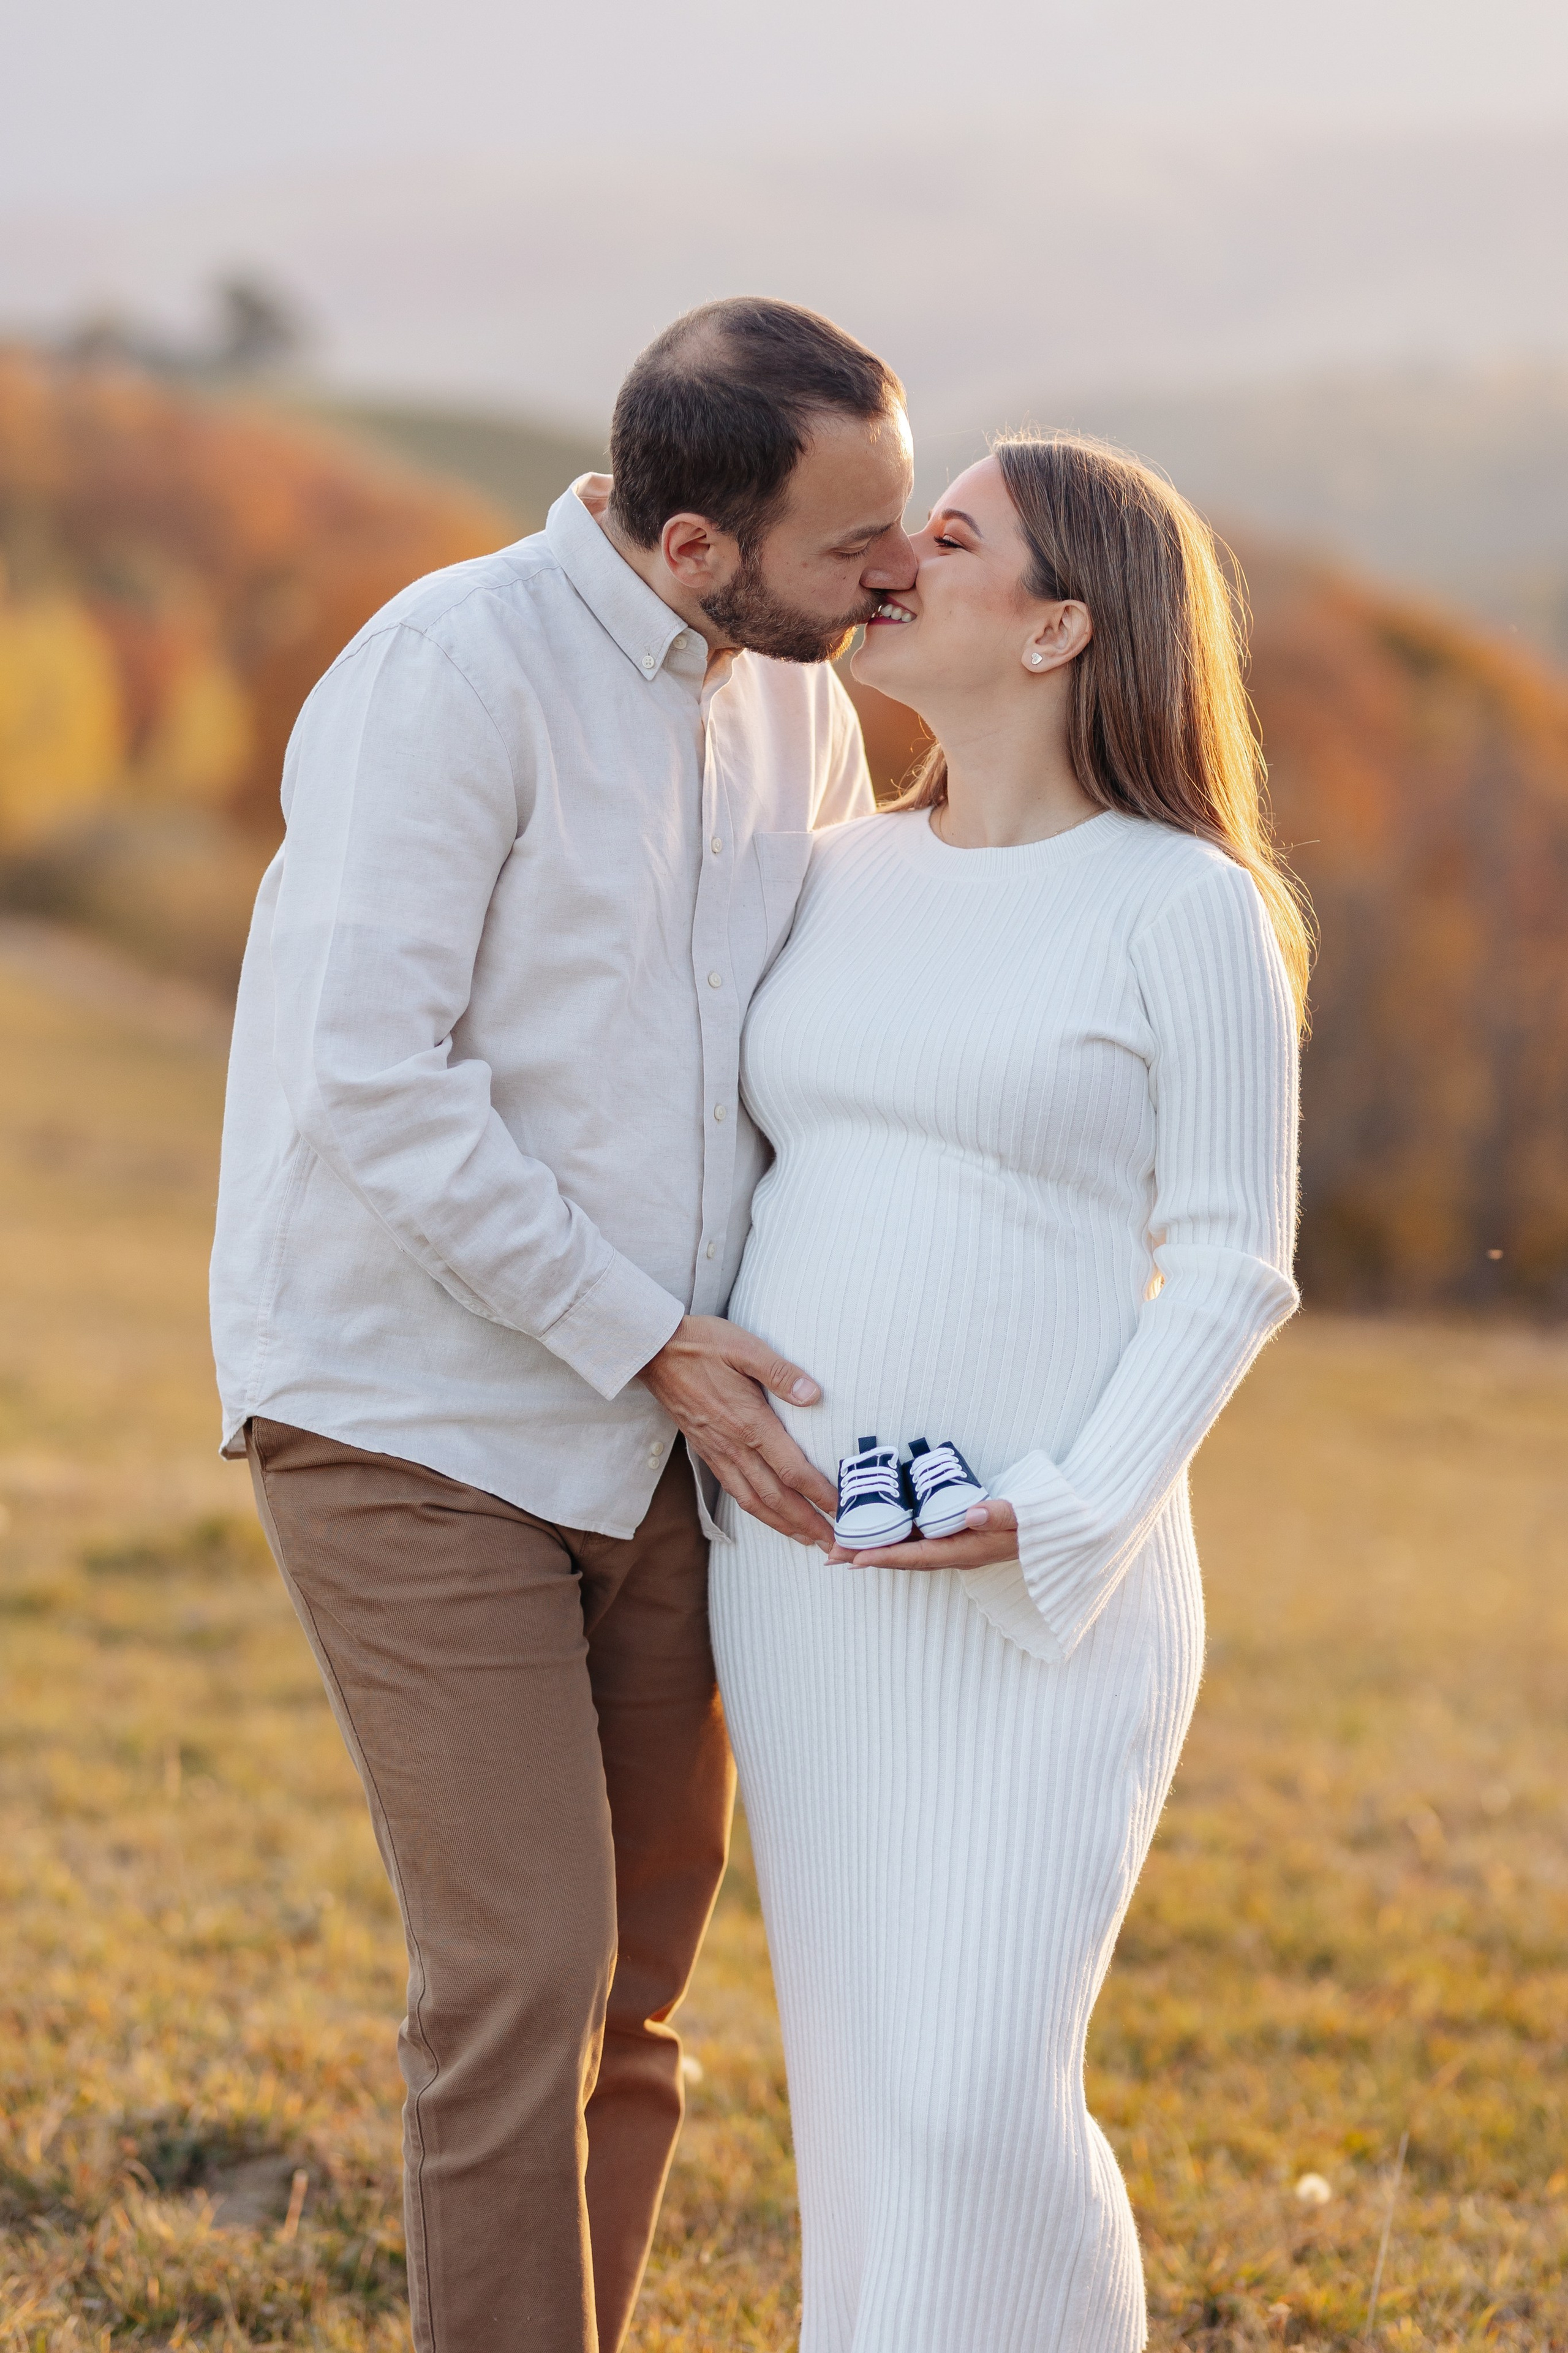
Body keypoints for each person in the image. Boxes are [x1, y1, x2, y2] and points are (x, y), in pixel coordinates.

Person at [209, 297, 916, 2353]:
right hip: (414, 1411)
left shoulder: (798, 700)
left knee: (637, 1984)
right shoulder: (450, 671)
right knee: (523, 1969)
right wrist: (641, 1331)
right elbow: (375, 1075)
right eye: (853, 541)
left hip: (669, 1445)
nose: (897, 571)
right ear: (693, 545)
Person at [710, 433, 1310, 2352]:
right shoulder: (827, 875)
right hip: (806, 1576)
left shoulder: (1182, 904)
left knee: (979, 2097)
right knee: (873, 2096)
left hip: (1051, 1594)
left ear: (1059, 627)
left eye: (952, 535)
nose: (895, 558)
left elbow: (1234, 1260)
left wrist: (1065, 1511)